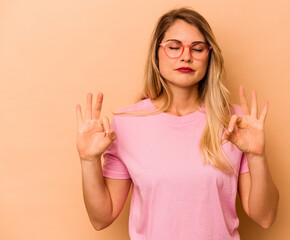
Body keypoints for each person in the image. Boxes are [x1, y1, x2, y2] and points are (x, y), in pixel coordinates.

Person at [76, 7, 279, 240]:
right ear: (157, 54)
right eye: (174, 47)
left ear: (209, 56)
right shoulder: (126, 124)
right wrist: (88, 161)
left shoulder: (236, 124)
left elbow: (265, 217)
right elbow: (101, 218)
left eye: (198, 48)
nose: (186, 56)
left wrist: (257, 156)